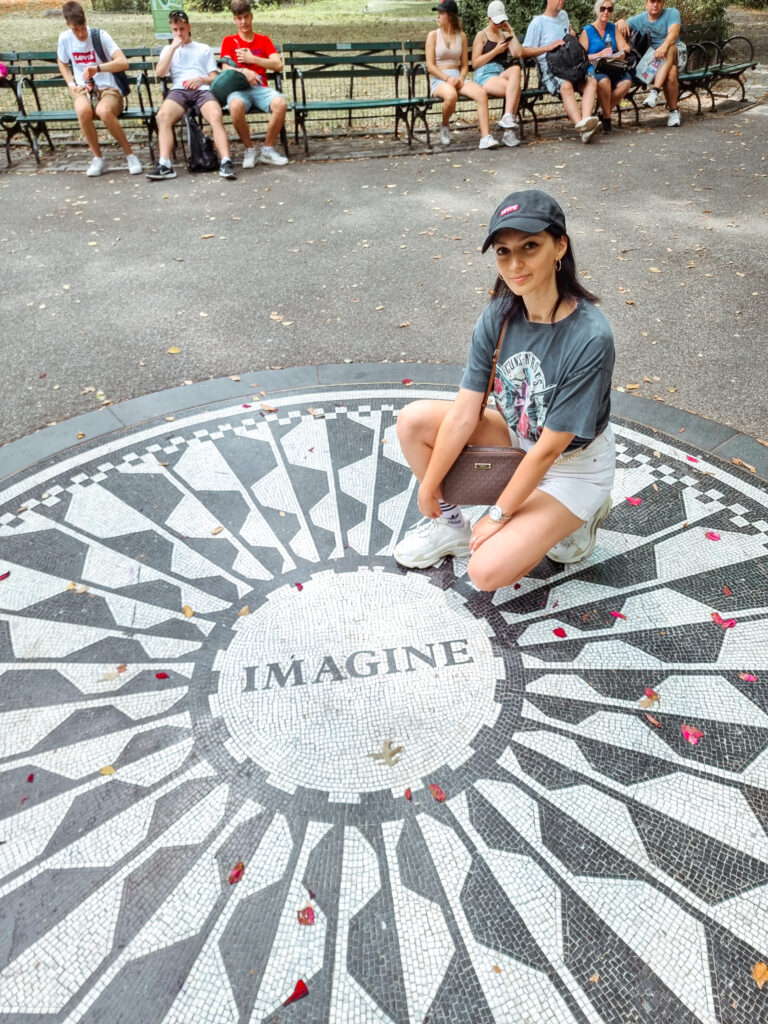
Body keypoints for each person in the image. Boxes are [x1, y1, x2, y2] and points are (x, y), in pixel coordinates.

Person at [393, 189, 616, 590]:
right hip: (518, 438)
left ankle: (584, 513)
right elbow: (465, 413)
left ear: (559, 246)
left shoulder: (589, 336)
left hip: (573, 466)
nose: (515, 264)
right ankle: (452, 527)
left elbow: (549, 448)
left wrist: (499, 515)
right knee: (412, 422)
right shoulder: (500, 313)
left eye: (530, 246)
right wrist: (430, 490)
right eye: (503, 251)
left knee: (485, 572)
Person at [147, 10, 236, 181]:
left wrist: (201, 79)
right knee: (163, 115)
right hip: (179, 90)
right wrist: (173, 47)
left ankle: (226, 161)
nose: (179, 33)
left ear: (189, 27)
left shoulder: (203, 48)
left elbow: (214, 77)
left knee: (216, 115)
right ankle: (165, 164)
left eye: (182, 28)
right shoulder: (168, 49)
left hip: (202, 90)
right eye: (175, 30)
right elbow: (160, 73)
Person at [56, 1, 141, 177]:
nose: (80, 34)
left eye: (82, 28)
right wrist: (71, 83)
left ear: (86, 20)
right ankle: (98, 158)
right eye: (75, 30)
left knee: (104, 111)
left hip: (108, 86)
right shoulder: (65, 38)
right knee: (82, 111)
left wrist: (99, 68)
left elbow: (123, 62)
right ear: (67, 25)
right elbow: (62, 62)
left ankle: (130, 155)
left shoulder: (100, 36)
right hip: (83, 87)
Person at [219, 0, 288, 167]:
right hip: (239, 90)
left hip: (260, 88)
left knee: (281, 103)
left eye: (246, 17)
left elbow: (278, 65)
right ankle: (249, 149)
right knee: (235, 106)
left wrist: (253, 59)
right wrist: (245, 71)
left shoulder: (263, 40)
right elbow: (225, 68)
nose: (243, 22)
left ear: (251, 16)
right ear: (234, 20)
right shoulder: (229, 41)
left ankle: (267, 150)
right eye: (239, 18)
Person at [522, 0, 599, 144]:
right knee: (566, 86)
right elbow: (524, 51)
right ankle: (583, 129)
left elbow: (569, 33)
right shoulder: (537, 23)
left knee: (591, 82)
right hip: (550, 69)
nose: (562, 1)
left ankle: (586, 121)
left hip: (570, 65)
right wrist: (548, 47)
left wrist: (572, 34)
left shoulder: (564, 16)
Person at [426, 0, 498, 149]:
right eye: (437, 13)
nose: (437, 16)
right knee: (451, 95)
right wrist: (447, 78)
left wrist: (460, 79)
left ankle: (485, 137)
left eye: (441, 13)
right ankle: (445, 125)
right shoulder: (433, 35)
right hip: (440, 79)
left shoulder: (462, 36)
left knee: (481, 93)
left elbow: (465, 65)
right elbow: (430, 66)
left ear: (451, 16)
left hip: (458, 79)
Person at [618, 0, 681, 126]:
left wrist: (663, 47)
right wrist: (620, 21)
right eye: (652, 1)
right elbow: (613, 28)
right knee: (671, 72)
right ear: (646, 4)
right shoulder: (639, 19)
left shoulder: (672, 13)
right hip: (653, 61)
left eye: (659, 1)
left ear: (663, 3)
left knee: (670, 47)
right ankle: (674, 112)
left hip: (677, 54)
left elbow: (674, 33)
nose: (655, 5)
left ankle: (655, 91)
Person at [471, 0, 524, 148]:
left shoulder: (505, 34)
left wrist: (510, 31)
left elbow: (518, 53)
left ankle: (507, 117)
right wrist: (496, 51)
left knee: (516, 69)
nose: (499, 25)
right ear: (489, 19)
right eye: (496, 22)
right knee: (516, 89)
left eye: (502, 21)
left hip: (500, 72)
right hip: (484, 74)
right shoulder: (481, 35)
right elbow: (475, 63)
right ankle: (508, 132)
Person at [579, 0, 632, 132]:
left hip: (612, 66)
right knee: (604, 81)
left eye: (609, 9)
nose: (606, 12)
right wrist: (599, 54)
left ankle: (602, 113)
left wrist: (621, 54)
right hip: (595, 67)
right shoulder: (587, 31)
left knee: (626, 83)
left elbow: (626, 48)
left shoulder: (613, 28)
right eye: (603, 9)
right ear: (597, 10)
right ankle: (607, 118)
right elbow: (581, 56)